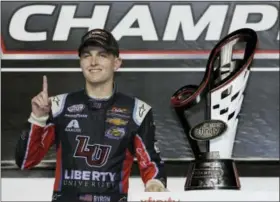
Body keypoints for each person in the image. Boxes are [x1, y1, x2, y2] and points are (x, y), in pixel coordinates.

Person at [15, 28, 167, 202]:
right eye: (87, 55)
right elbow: (26, 161)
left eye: (102, 55)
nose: (93, 62)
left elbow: (151, 164)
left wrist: (155, 183)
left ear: (116, 63)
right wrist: (38, 118)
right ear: (80, 62)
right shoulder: (58, 106)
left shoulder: (137, 111)